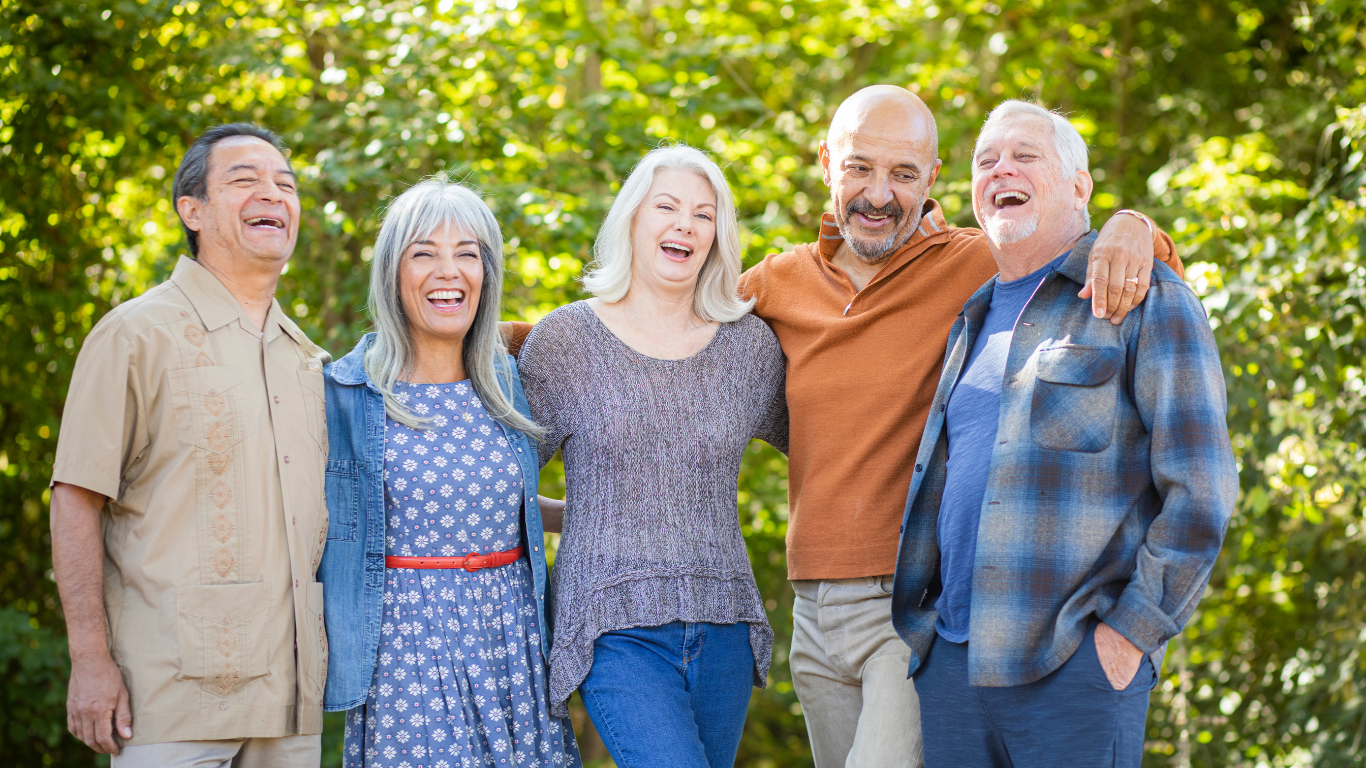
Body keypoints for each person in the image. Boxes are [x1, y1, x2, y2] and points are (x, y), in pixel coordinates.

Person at [735, 85, 1183, 768]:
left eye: (904, 174)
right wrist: (513, 344)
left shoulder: (979, 262)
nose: (878, 195)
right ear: (826, 163)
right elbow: (661, 329)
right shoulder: (779, 282)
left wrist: (1134, 224)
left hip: (908, 605)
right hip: (812, 614)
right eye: (859, 168)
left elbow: (1103, 256)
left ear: (933, 180)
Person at [891, 100, 1237, 767]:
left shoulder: (1143, 297)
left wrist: (1130, 634)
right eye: (985, 160)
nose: (1001, 170)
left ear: (1080, 186)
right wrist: (929, 640)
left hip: (1074, 666)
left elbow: (1202, 488)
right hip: (953, 666)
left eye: (1025, 155)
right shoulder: (971, 318)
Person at [48, 123, 329, 766]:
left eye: (285, 184)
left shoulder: (309, 361)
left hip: (291, 705)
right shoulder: (133, 337)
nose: (273, 194)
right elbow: (75, 498)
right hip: (167, 700)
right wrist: (89, 659)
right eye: (245, 180)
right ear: (192, 211)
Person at [515, 145, 787, 768]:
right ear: (632, 220)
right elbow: (500, 478)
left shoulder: (748, 348)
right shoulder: (566, 342)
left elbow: (828, 447)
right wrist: (583, 516)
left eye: (703, 214)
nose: (684, 225)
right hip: (612, 625)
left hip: (724, 622)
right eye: (666, 206)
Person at [316, 176, 581, 767]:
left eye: (467, 254)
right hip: (407, 647)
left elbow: (485, 507)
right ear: (392, 273)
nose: (448, 270)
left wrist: (593, 515)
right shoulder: (347, 392)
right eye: (424, 253)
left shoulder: (508, 381)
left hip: (513, 634)